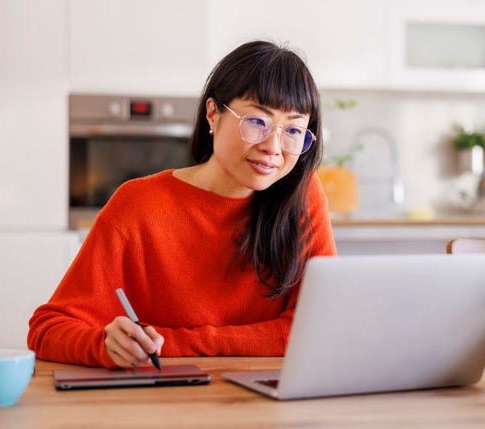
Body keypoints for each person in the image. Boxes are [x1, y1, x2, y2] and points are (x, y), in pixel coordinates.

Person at [27, 40, 337, 368]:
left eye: (293, 129)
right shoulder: (138, 205)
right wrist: (103, 344)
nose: (273, 147)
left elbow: (321, 329)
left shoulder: (302, 197)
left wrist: (171, 342)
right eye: (257, 122)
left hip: (267, 405)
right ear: (213, 114)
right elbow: (47, 330)